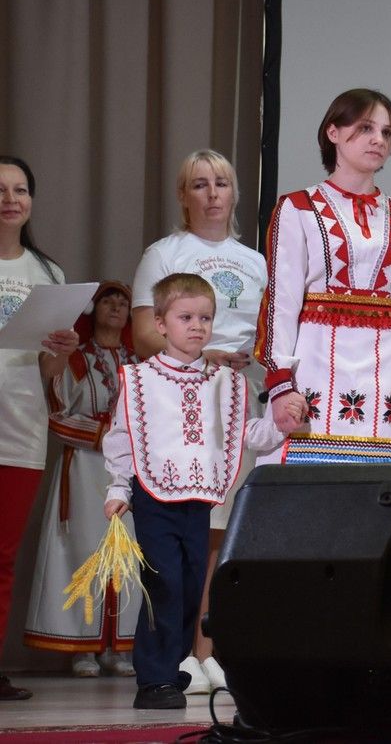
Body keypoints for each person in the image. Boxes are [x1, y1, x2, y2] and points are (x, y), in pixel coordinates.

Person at [103, 274, 286, 710]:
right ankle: (154, 679)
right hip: (153, 495)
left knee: (187, 586)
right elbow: (123, 436)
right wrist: (118, 486)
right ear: (161, 323)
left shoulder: (224, 381)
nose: (197, 326)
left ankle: (172, 665)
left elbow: (248, 434)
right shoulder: (140, 379)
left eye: (205, 317)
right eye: (186, 317)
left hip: (197, 498)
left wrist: (282, 422)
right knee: (161, 583)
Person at [130, 150, 267, 693]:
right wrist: (204, 357)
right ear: (183, 196)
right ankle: (174, 651)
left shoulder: (255, 261)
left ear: (234, 194)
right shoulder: (164, 254)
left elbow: (270, 336)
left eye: (223, 183)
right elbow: (143, 333)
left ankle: (206, 649)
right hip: (177, 406)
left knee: (222, 528)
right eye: (200, 184)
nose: (213, 194)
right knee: (184, 530)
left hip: (237, 401)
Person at [256, 89, 391, 464]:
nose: (378, 140)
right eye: (366, 128)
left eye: (387, 133)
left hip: (385, 386)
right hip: (314, 373)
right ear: (333, 133)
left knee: (380, 503)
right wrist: (280, 386)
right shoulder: (298, 208)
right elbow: (281, 304)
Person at [24, 282, 140, 677]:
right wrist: (100, 433)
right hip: (85, 465)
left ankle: (117, 647)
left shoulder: (140, 362)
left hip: (126, 470)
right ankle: (82, 648)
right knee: (84, 552)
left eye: (124, 302)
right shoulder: (76, 359)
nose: (117, 307)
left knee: (127, 555)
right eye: (109, 299)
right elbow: (55, 416)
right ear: (93, 309)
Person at [0, 155, 79, 702]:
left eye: (20, 189)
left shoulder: (48, 275)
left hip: (20, 427)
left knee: (3, 557)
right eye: (0, 189)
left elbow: (49, 371)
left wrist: (63, 352)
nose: (10, 199)